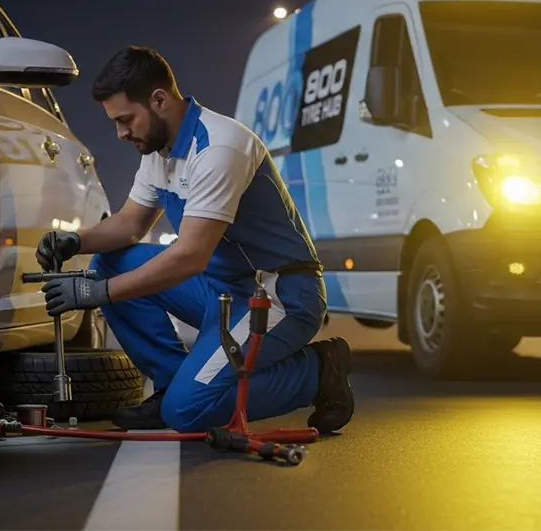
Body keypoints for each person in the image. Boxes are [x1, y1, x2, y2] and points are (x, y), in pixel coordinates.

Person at [35, 45, 354, 434]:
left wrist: (96, 294)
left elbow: (189, 257)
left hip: (277, 294)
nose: (120, 133)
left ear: (159, 100)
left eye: (126, 119)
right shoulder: (159, 151)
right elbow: (130, 225)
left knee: (186, 413)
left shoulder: (219, 147)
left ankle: (318, 371)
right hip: (221, 290)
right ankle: (172, 384)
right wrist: (74, 242)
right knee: (109, 261)